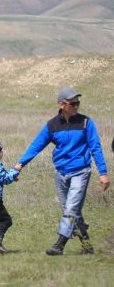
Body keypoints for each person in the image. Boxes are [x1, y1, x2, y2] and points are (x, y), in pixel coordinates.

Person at [15, 87, 109, 256]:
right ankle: (87, 245)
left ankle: (59, 245)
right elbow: (36, 145)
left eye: (78, 103)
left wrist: (103, 173)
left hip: (81, 172)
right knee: (71, 210)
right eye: (73, 104)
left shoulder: (86, 122)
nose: (76, 106)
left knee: (70, 209)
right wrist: (20, 164)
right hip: (60, 174)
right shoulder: (52, 125)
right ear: (61, 105)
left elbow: (95, 147)